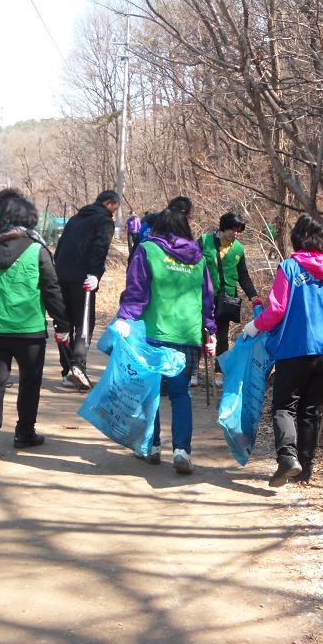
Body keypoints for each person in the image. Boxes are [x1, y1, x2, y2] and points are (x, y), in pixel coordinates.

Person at [242, 213, 323, 487]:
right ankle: (305, 469)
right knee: (310, 410)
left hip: (294, 349)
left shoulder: (290, 268)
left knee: (284, 407)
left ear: (299, 237)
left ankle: (288, 458)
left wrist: (256, 325)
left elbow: (277, 310)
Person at [114, 196, 216, 474]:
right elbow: (207, 298)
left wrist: (125, 318)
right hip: (187, 335)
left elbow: (137, 291)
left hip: (155, 335)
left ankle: (153, 446)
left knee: (153, 393)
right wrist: (211, 331)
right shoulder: (198, 259)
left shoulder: (147, 250)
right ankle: (182, 450)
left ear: (157, 228)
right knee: (181, 393)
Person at [0, 195, 70, 462]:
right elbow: (52, 289)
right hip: (28, 330)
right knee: (29, 382)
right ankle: (24, 433)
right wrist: (63, 323)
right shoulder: (37, 250)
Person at [53, 190, 120, 391]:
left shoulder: (75, 219)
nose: (114, 214)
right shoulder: (104, 221)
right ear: (109, 203)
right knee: (84, 324)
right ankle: (77, 367)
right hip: (83, 279)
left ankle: (68, 371)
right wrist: (94, 273)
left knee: (64, 324)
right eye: (114, 209)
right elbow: (100, 248)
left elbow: (61, 246)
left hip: (61, 276)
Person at [199, 211, 261, 386]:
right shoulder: (205, 241)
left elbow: (243, 275)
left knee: (223, 335)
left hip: (227, 299)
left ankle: (219, 371)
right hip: (203, 295)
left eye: (238, 230)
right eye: (233, 229)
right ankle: (194, 370)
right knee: (199, 331)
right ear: (223, 227)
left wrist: (253, 296)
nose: (236, 233)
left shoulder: (238, 249)